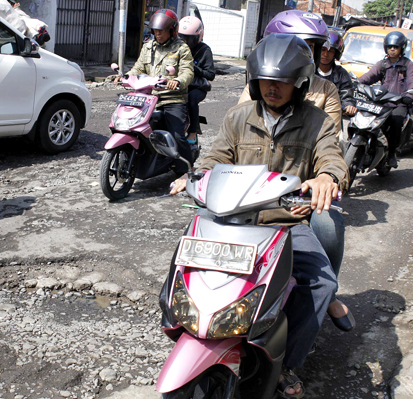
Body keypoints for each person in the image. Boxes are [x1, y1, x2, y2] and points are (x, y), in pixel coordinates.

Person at [171, 33, 349, 399]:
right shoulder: (238, 117)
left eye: (283, 81)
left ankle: (287, 362)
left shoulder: (317, 122)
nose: (273, 88)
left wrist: (327, 178)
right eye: (267, 80)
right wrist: (195, 176)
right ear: (254, 80)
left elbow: (332, 157)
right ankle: (190, 331)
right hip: (231, 220)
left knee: (320, 285)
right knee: (182, 267)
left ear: (299, 83)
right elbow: (215, 158)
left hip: (285, 223)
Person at [237, 10, 353, 333]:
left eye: (309, 47)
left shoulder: (325, 93)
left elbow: (330, 148)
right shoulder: (257, 91)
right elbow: (232, 140)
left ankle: (324, 290)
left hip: (297, 199)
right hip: (250, 197)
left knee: (328, 225)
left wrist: (325, 178)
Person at [114, 9, 194, 173]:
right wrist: (126, 77)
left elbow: (187, 72)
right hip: (148, 96)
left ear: (172, 30)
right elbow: (138, 67)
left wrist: (177, 81)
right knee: (132, 124)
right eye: (156, 31)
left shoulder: (181, 48)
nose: (158, 34)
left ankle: (186, 171)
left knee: (177, 134)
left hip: (173, 98)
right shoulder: (148, 46)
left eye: (162, 31)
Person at [238, 10, 343, 134]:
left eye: (311, 47)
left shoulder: (326, 90)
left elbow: (331, 139)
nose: (306, 53)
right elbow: (238, 128)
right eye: (298, 47)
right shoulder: (257, 86)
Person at [358, 31, 413, 168]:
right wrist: (355, 83)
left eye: (395, 47)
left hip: (399, 103)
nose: (392, 49)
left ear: (401, 48)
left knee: (396, 121)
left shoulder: (409, 65)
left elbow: (412, 82)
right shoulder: (382, 64)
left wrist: (409, 96)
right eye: (390, 47)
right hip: (381, 101)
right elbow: (369, 76)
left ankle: (392, 152)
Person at [178, 16, 215, 148]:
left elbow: (210, 74)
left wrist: (194, 68)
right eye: (182, 37)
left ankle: (192, 132)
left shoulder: (204, 50)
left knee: (191, 99)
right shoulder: (176, 47)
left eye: (189, 38)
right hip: (179, 84)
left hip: (196, 87)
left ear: (199, 36)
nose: (186, 42)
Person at [317, 31, 357, 117]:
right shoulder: (308, 70)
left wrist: (349, 105)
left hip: (331, 117)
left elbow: (347, 95)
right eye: (323, 50)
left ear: (335, 53)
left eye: (330, 51)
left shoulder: (341, 74)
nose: (325, 54)